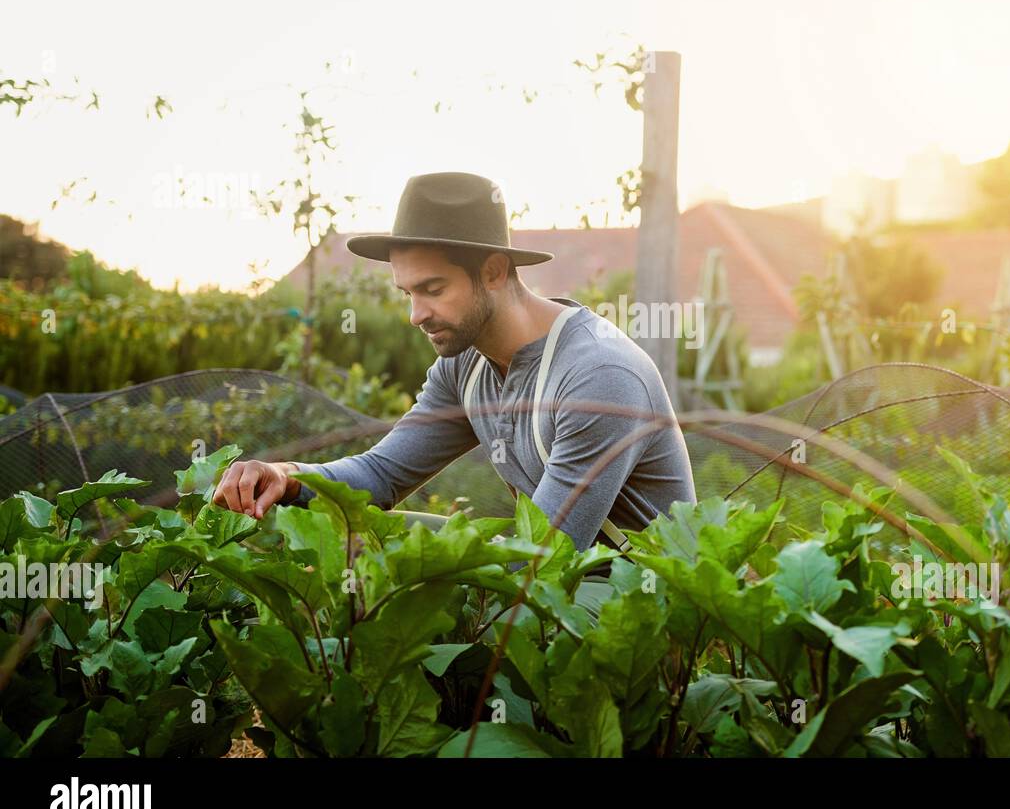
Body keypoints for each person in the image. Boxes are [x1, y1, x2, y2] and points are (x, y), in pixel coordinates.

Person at [213, 171, 696, 565]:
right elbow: (381, 475)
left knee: (411, 569)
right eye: (408, 293)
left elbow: (542, 560)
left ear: (493, 271)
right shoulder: (465, 366)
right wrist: (290, 476)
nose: (415, 315)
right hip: (561, 578)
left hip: (640, 598)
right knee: (357, 535)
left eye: (434, 289)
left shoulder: (597, 374)